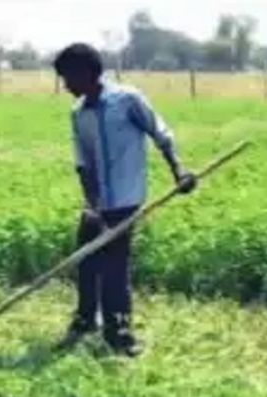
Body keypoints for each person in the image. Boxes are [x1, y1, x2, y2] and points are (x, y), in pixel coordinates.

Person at [53, 43, 198, 357]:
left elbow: (161, 134)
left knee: (114, 267)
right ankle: (85, 320)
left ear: (87, 73)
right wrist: (93, 207)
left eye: (68, 77)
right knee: (86, 262)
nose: (65, 85)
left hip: (126, 200)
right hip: (97, 204)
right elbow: (83, 163)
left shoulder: (127, 99)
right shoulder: (78, 114)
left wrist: (179, 172)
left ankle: (118, 332)